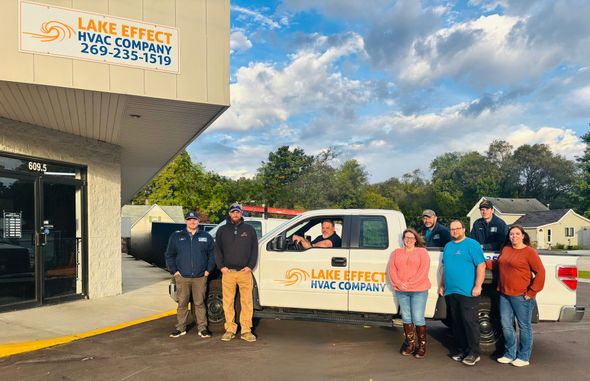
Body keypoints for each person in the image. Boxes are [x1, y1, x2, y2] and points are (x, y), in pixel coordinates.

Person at [496, 225, 546, 367]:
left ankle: (524, 357)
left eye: (517, 234)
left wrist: (532, 292)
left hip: (521, 296)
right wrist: (479, 263)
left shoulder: (529, 252)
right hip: (504, 294)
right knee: (506, 325)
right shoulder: (506, 249)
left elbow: (540, 272)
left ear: (523, 236)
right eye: (512, 234)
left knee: (524, 326)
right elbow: (498, 264)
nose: (514, 236)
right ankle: (509, 354)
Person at [439, 220, 486, 366]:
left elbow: (481, 265)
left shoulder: (472, 245)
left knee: (469, 322)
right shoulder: (448, 246)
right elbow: (445, 268)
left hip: (468, 292)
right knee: (457, 322)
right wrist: (442, 285)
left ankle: (474, 352)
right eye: (452, 229)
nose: (454, 231)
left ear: (463, 229)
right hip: (451, 291)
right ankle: (462, 350)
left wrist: (478, 285)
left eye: (457, 228)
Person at [165, 211, 215, 339]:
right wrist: (175, 271)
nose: (192, 222)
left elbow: (212, 255)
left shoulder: (206, 236)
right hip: (182, 277)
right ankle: (180, 328)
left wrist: (208, 270)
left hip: (200, 277)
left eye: (194, 219)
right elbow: (169, 255)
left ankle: (202, 328)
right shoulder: (176, 236)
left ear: (198, 221)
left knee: (199, 303)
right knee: (182, 303)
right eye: (189, 219)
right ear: (186, 221)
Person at [215, 202, 259, 342]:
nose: (235, 214)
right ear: (229, 213)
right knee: (227, 302)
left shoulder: (249, 229)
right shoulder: (222, 230)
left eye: (238, 212)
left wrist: (250, 266)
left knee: (247, 302)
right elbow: (217, 250)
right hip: (228, 273)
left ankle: (246, 331)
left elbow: (254, 250)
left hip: (244, 272)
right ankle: (230, 330)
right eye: (233, 211)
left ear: (241, 214)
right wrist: (221, 267)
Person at [388, 228, 431, 358]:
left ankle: (422, 345)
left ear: (416, 240)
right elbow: (392, 270)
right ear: (403, 239)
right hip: (401, 291)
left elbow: (423, 271)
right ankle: (410, 344)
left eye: (412, 238)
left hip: (419, 290)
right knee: (406, 317)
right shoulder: (396, 253)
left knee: (418, 317)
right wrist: (399, 284)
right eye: (406, 237)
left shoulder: (422, 252)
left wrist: (409, 284)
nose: (409, 240)